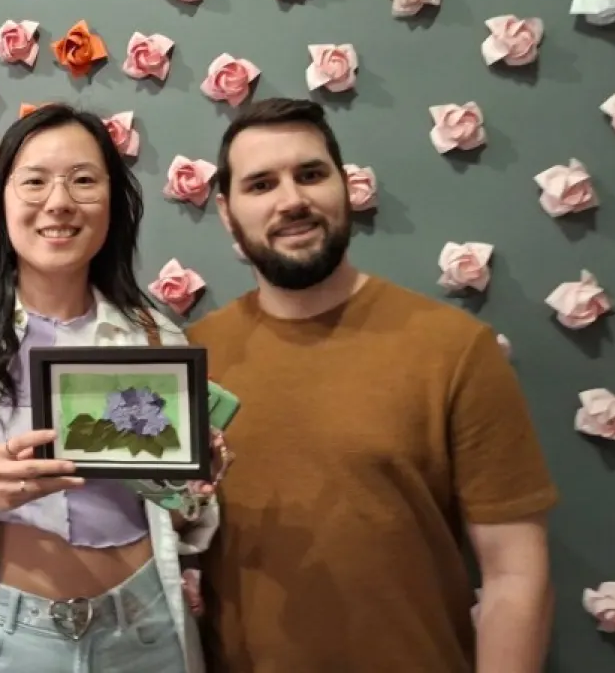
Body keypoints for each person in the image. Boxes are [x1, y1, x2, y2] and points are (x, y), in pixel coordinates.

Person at [185, 97, 559, 672]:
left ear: (345, 186)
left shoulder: (455, 349)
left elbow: (516, 573)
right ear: (227, 212)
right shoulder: (191, 360)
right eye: (261, 184)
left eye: (311, 174)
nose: (292, 200)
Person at [0, 103, 217, 673]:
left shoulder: (155, 336)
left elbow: (176, 516)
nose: (58, 202)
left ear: (113, 202)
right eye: (34, 182)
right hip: (7, 637)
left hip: (145, 631)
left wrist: (195, 488)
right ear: (2, 200)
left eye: (83, 181)